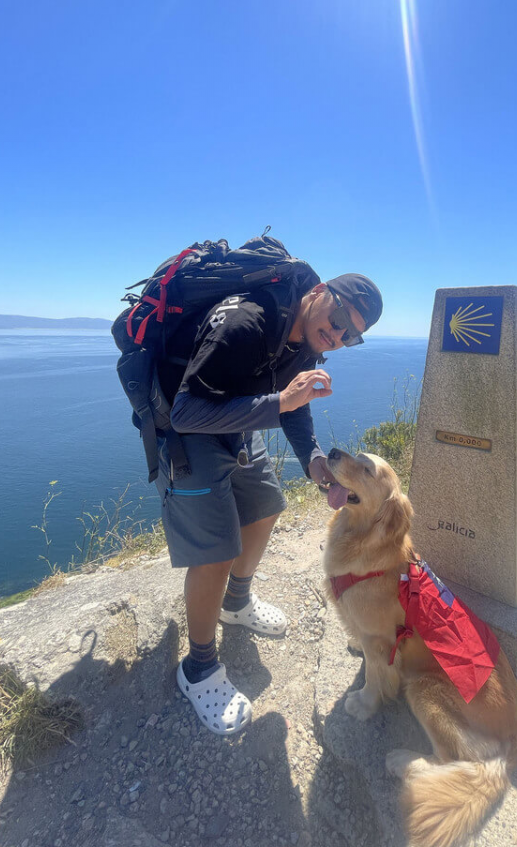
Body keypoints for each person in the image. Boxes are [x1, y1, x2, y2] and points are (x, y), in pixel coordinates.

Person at [155, 273, 383, 734]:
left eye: (351, 335)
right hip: (184, 435)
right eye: (338, 318)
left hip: (239, 424)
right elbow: (185, 412)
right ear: (319, 292)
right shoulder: (245, 321)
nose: (337, 335)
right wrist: (279, 401)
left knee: (265, 507)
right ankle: (197, 669)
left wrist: (313, 458)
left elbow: (294, 406)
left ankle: (235, 603)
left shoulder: (308, 339)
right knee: (216, 551)